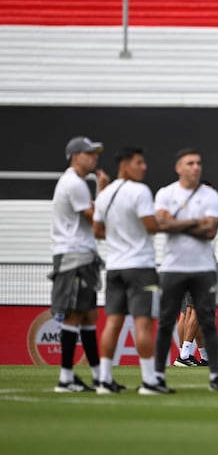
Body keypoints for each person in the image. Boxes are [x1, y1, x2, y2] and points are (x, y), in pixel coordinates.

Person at [152, 148, 218, 392]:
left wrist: (178, 224)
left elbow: (211, 231)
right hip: (173, 265)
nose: (195, 166)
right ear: (179, 167)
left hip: (203, 265)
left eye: (198, 162)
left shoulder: (211, 196)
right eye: (190, 163)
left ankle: (212, 371)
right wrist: (194, 222)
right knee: (170, 319)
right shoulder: (166, 193)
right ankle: (163, 372)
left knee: (204, 317)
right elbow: (161, 224)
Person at [93, 146, 167, 394]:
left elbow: (97, 231)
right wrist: (163, 218)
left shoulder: (104, 194)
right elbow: (150, 226)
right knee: (143, 324)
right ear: (124, 164)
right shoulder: (140, 191)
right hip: (140, 265)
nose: (144, 167)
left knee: (112, 322)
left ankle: (104, 379)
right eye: (139, 162)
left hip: (115, 266)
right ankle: (149, 381)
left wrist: (119, 237)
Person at [50, 136, 111, 392]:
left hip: (81, 256)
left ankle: (98, 376)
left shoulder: (74, 183)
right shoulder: (74, 183)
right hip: (75, 255)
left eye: (95, 153)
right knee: (75, 313)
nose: (94, 157)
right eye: (89, 153)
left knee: (88, 314)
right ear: (75, 156)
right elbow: (96, 222)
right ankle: (65, 377)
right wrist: (104, 190)